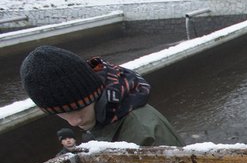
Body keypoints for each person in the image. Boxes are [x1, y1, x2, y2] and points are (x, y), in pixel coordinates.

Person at [21, 45, 184, 147]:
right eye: (61, 113)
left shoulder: (144, 132)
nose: (73, 121)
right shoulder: (103, 118)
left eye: (78, 108)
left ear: (94, 94)